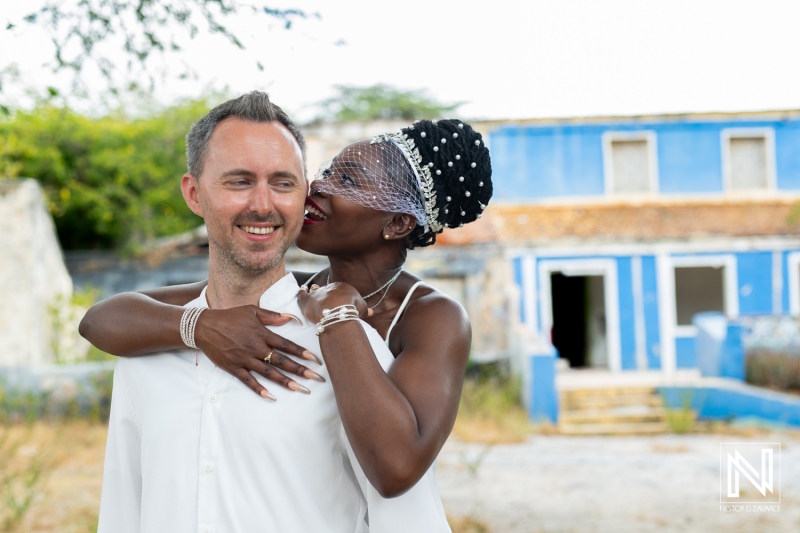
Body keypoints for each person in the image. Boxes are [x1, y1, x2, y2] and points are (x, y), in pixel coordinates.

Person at [82, 108, 493, 531]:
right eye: (328, 171)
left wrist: (337, 317)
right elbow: (103, 317)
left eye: (347, 181)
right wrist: (202, 327)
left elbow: (397, 469)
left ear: (398, 222)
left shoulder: (431, 315)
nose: (318, 188)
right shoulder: (298, 290)